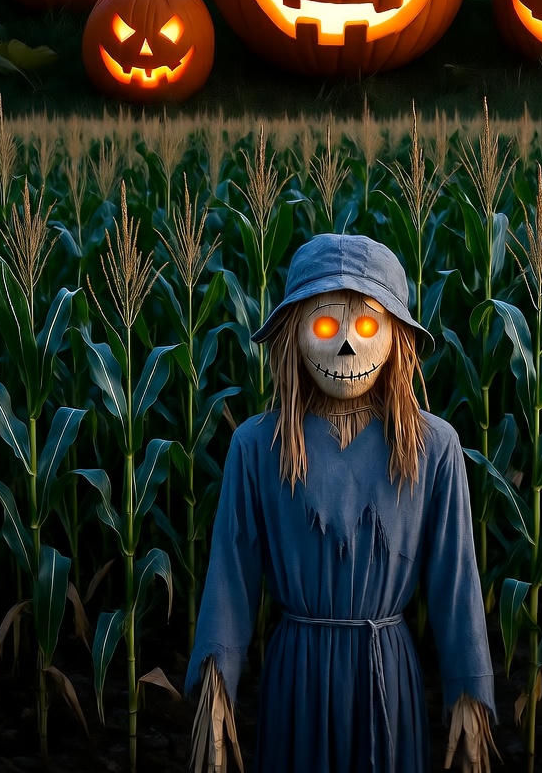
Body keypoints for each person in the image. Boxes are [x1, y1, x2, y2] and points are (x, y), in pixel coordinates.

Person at [185, 233, 496, 772]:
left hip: (388, 673)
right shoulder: (257, 446)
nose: (348, 346)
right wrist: (218, 685)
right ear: (294, 334)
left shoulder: (434, 446)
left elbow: (456, 581)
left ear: (398, 337)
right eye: (327, 324)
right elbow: (230, 579)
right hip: (297, 674)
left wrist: (469, 694)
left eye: (368, 325)